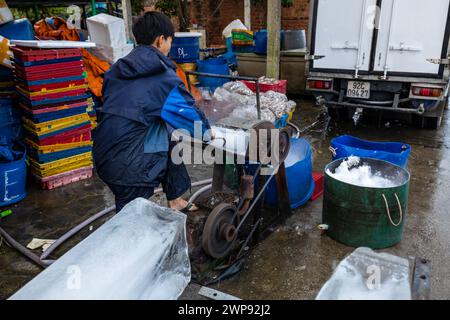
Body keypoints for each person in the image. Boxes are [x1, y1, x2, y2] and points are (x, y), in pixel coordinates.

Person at [93, 11, 211, 212]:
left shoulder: (118, 69)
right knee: (134, 220)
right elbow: (191, 120)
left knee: (167, 137)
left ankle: (176, 200)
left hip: (103, 154)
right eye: (170, 41)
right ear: (160, 40)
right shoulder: (163, 78)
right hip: (128, 166)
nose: (170, 47)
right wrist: (209, 134)